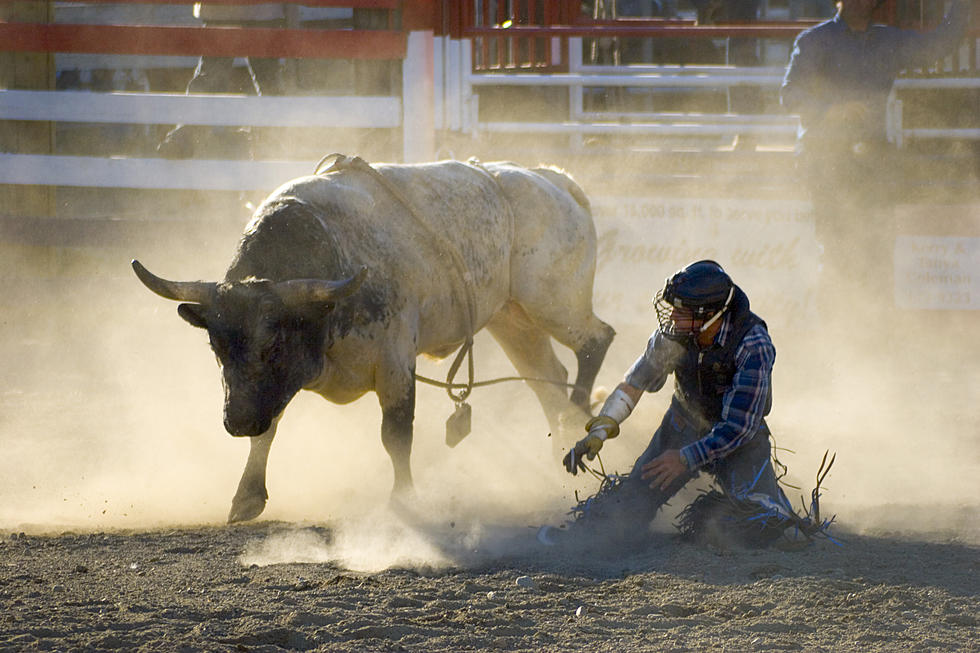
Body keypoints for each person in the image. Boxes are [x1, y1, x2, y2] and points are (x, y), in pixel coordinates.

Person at [541, 260, 810, 550]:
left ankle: (757, 512)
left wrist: (685, 458)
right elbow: (636, 382)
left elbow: (740, 427)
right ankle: (585, 536)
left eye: (680, 312)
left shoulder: (753, 344)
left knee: (770, 526)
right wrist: (602, 428)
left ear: (709, 317)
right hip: (682, 426)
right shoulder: (675, 334)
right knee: (629, 502)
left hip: (739, 443)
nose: (671, 317)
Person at [780, 0, 970, 297]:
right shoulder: (815, 40)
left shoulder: (885, 40)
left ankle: (867, 324)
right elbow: (790, 95)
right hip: (829, 160)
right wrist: (833, 109)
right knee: (838, 248)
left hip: (868, 161)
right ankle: (843, 322)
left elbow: (938, 45)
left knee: (876, 247)